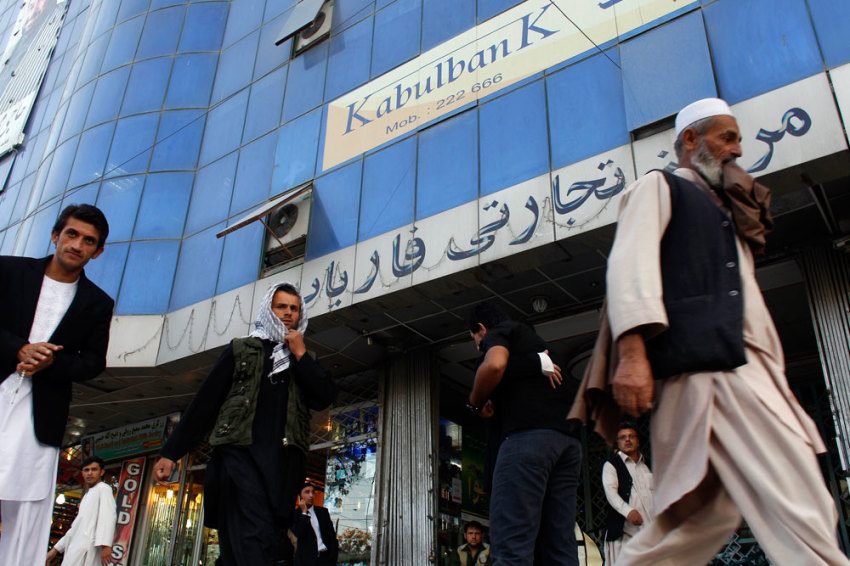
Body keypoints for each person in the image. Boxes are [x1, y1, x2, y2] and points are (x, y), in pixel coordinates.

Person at [606, 97, 850, 565]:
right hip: (713, 373)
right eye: (728, 137)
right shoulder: (658, 188)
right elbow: (628, 266)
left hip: (747, 371)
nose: (738, 149)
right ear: (691, 140)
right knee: (799, 495)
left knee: (699, 520)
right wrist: (633, 354)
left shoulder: (723, 212)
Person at [153, 282, 337, 566]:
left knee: (260, 546)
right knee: (253, 544)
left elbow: (323, 397)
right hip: (239, 461)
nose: (288, 313)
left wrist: (299, 354)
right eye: (281, 307)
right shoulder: (243, 349)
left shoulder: (305, 359)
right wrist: (172, 452)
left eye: (294, 308)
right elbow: (206, 401)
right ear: (268, 309)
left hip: (282, 470)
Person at [0, 204, 113, 566]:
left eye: (88, 241)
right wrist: (18, 347)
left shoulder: (97, 302)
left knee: (26, 506)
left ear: (98, 251)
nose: (77, 245)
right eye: (72, 234)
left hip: (39, 413)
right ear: (55, 235)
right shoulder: (9, 271)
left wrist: (53, 362)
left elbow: (94, 361)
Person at [467, 301, 579, 566]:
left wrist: (474, 402)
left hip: (526, 442)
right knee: (559, 545)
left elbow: (494, 365)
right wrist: (536, 362)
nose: (477, 346)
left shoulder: (500, 333)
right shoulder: (539, 352)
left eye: (474, 338)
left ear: (482, 329)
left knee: (511, 547)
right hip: (567, 443)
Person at [46, 456, 117, 566]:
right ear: (82, 473)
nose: (90, 473)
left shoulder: (104, 489)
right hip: (76, 548)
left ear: (101, 472)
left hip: (90, 549)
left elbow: (108, 517)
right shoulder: (87, 495)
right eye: (86, 470)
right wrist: (55, 549)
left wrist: (106, 545)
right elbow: (75, 527)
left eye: (94, 470)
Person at [601, 426, 652, 564]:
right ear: (618, 442)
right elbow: (610, 493)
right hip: (625, 535)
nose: (627, 440)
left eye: (631, 436)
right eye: (623, 437)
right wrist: (628, 511)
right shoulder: (611, 465)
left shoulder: (648, 466)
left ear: (638, 441)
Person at [291, 484, 339, 566]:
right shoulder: (295, 515)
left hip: (325, 559)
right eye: (307, 492)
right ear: (300, 496)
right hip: (306, 561)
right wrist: (304, 513)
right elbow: (299, 533)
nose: (311, 495)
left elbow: (331, 536)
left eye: (313, 492)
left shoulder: (323, 512)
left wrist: (332, 558)